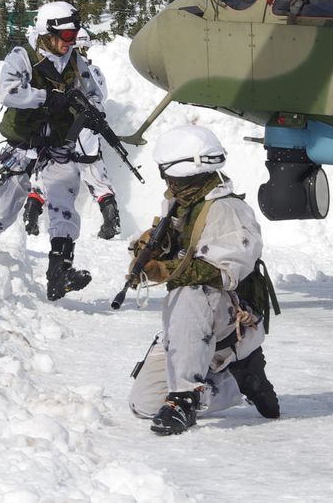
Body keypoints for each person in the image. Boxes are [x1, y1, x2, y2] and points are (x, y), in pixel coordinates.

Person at [126, 124, 280, 436]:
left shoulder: (227, 210)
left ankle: (185, 397)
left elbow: (222, 273)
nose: (167, 182)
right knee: (143, 403)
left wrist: (166, 271)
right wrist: (148, 248)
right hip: (187, 324)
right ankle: (240, 380)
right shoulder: (179, 204)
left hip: (231, 318)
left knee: (192, 290)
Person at [0, 0, 103, 301]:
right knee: (3, 211)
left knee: (63, 207)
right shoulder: (22, 57)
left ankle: (59, 274)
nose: (70, 42)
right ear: (47, 33)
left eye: (74, 36)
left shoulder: (77, 63)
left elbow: (97, 96)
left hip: (59, 147)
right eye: (65, 36)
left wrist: (92, 114)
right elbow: (8, 93)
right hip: (24, 147)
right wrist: (49, 97)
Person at [23, 27, 121, 241]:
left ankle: (31, 218)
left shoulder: (52, 67)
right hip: (85, 131)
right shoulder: (92, 70)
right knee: (96, 177)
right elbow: (100, 98)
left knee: (43, 174)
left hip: (58, 130)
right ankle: (110, 220)